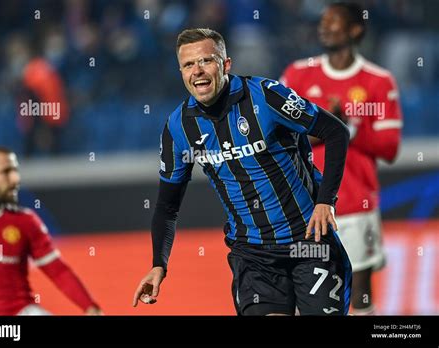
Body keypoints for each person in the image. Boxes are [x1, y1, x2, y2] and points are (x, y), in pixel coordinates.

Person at [133, 28, 352, 316]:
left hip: (310, 244)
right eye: (188, 65)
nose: (197, 71)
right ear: (181, 72)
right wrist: (158, 264)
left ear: (225, 64)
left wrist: (326, 201)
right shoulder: (178, 128)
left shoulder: (266, 96)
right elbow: (167, 206)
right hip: (253, 255)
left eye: (206, 61)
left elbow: (335, 131)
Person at [280, 2, 402, 315]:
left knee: (359, 295)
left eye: (333, 21)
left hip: (355, 206)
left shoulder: (378, 80)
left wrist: (348, 128)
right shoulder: (298, 74)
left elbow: (389, 147)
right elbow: (276, 138)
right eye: (323, 21)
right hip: (304, 209)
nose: (324, 27)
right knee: (303, 296)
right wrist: (329, 128)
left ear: (355, 29)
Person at [0, 146, 101, 315]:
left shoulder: (24, 221)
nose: (15, 179)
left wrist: (90, 307)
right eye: (6, 172)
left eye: (16, 171)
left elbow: (58, 271)